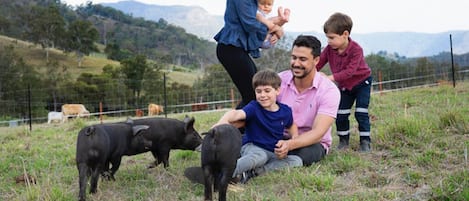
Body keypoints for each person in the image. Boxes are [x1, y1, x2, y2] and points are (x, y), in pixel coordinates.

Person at [212, 69, 302, 184]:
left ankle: (255, 172)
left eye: (267, 91)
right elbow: (235, 114)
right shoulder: (254, 108)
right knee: (260, 157)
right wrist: (222, 122)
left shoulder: (285, 111)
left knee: (296, 160)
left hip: (272, 152)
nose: (262, 95)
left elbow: (291, 125)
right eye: (258, 91)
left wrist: (294, 139)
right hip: (252, 147)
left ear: (277, 90)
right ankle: (221, 175)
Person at [316, 12, 373, 152]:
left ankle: (365, 142)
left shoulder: (356, 50)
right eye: (327, 38)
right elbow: (319, 62)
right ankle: (343, 141)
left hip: (362, 83)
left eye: (332, 38)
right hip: (344, 86)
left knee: (361, 112)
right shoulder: (330, 49)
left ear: (345, 34)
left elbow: (350, 72)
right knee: (341, 114)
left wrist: (329, 78)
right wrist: (311, 72)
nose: (328, 41)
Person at [214, 0, 284, 110]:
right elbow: (250, 24)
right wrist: (274, 27)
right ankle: (233, 125)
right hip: (231, 48)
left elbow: (253, 24)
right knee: (254, 93)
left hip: (235, 48)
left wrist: (275, 25)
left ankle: (235, 125)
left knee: (254, 91)